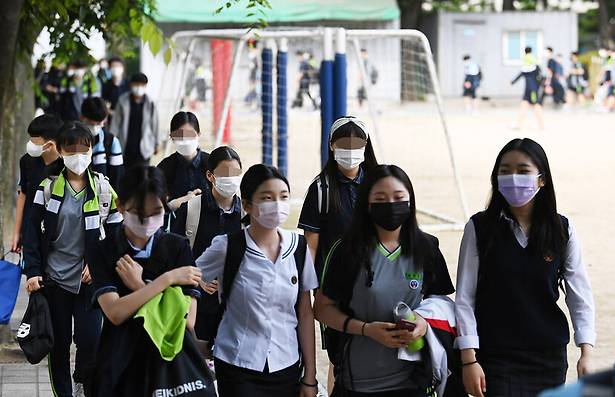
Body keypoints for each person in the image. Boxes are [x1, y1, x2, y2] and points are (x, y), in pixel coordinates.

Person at [455, 138, 596, 397]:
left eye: (523, 170)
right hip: (496, 356)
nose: (513, 177)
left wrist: (585, 351)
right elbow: (464, 297)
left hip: (548, 356)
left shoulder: (562, 229)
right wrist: (469, 358)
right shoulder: (479, 228)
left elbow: (579, 294)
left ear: (542, 179)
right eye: (505, 171)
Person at [314, 164, 457, 397]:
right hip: (358, 382)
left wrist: (422, 322)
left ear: (410, 201)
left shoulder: (427, 247)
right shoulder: (347, 250)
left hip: (414, 381)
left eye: (399, 197)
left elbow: (442, 302)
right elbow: (321, 308)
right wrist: (366, 330)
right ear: (367, 205)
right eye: (380, 198)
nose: (391, 204)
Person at [195, 164, 318, 397]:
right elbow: (187, 277)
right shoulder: (227, 246)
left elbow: (304, 313)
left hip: (287, 364)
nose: (277, 204)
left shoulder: (298, 248)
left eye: (283, 197)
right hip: (237, 364)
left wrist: (310, 377)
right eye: (267, 197)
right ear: (248, 204)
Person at [22, 121, 123, 397]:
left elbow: (116, 234)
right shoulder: (47, 187)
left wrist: (98, 263)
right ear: (61, 151)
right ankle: (64, 393)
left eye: (84, 148)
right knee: (60, 344)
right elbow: (31, 231)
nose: (79, 154)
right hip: (54, 280)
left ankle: (83, 384)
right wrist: (32, 271)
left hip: (90, 281)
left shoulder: (103, 189)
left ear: (91, 151)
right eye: (72, 148)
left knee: (90, 341)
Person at [86, 165, 206, 397]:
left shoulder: (177, 247)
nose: (147, 220)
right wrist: (167, 279)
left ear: (166, 203)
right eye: (139, 213)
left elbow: (187, 319)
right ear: (120, 206)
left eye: (156, 211)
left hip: (170, 365)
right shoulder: (103, 250)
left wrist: (140, 286)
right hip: (120, 362)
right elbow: (115, 312)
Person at [298, 116, 378, 391]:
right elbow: (311, 244)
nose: (351, 151)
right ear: (331, 146)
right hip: (335, 288)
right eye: (344, 145)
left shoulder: (379, 184)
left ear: (367, 146)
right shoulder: (320, 189)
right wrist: (306, 291)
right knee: (340, 356)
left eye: (358, 145)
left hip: (379, 282)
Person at [171, 146, 243, 347]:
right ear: (210, 176)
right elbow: (176, 254)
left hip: (236, 307)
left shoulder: (247, 213)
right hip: (197, 305)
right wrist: (198, 279)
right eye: (224, 174)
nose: (231, 179)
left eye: (235, 173)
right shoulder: (192, 209)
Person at [12, 114, 64, 253]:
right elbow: (23, 194)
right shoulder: (27, 161)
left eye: (35, 142)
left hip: (57, 234)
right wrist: (17, 232)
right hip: (30, 230)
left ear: (50, 145)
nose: (30, 145)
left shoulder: (66, 166)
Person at [157, 111, 209, 220]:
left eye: (190, 134)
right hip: (174, 228)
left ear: (198, 135)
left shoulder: (211, 163)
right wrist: (174, 204)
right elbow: (156, 205)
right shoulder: (164, 168)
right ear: (171, 137)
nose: (185, 140)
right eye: (179, 135)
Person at [110, 72, 160, 169]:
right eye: (136, 84)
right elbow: (116, 122)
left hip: (144, 146)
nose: (139, 87)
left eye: (142, 85)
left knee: (143, 176)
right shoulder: (122, 100)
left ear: (145, 86)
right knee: (126, 176)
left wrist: (157, 143)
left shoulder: (150, 102)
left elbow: (155, 124)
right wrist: (111, 141)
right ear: (131, 85)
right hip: (125, 145)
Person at [80, 97, 124, 187]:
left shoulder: (111, 142)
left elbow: (117, 177)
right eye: (91, 124)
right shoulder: (71, 140)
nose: (95, 128)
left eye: (99, 124)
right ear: (82, 118)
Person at [511, 47, 545, 130]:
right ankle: (518, 125)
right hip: (533, 90)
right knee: (529, 106)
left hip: (529, 90)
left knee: (534, 106)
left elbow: (519, 76)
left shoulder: (525, 67)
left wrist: (512, 82)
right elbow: (541, 77)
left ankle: (541, 125)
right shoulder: (535, 66)